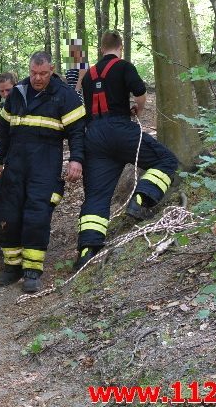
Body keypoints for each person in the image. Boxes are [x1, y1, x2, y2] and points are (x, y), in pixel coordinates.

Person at [75, 31, 178, 271]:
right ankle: (141, 198)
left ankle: (86, 251)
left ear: (102, 49)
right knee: (166, 160)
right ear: (120, 47)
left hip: (95, 137)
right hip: (120, 129)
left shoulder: (88, 76)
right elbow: (140, 93)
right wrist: (137, 110)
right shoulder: (123, 66)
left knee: (97, 196)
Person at [0, 51, 86, 293]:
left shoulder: (64, 96)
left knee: (37, 214)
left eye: (43, 73)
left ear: (52, 69)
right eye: (34, 73)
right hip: (15, 164)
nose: (37, 78)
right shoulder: (18, 93)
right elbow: (4, 130)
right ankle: (12, 266)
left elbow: (77, 132)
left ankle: (32, 271)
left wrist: (76, 160)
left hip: (45, 164)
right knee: (9, 214)